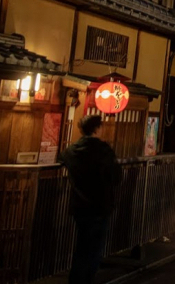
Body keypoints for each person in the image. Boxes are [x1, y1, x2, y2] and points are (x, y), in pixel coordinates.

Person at [59, 114, 122, 284]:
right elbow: (116, 177)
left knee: (81, 246)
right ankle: (86, 280)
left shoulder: (72, 150)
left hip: (79, 205)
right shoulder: (103, 150)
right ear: (97, 128)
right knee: (94, 249)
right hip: (100, 205)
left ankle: (75, 280)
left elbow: (63, 157)